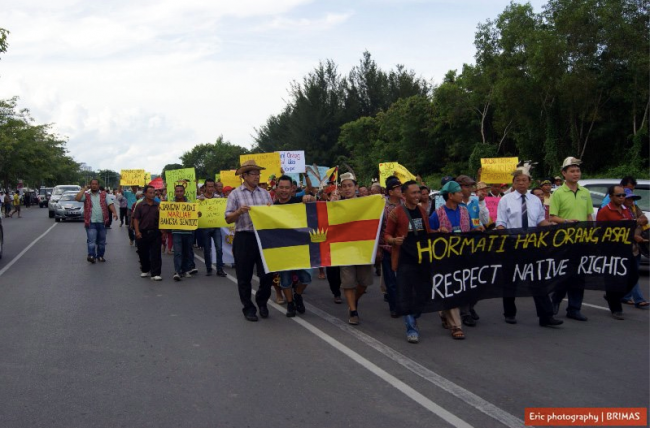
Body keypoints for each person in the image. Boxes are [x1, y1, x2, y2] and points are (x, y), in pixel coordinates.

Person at [496, 170, 562, 327]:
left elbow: (539, 220)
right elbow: (501, 222)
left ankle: (546, 316)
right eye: (518, 180)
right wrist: (501, 235)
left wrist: (553, 226)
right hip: (513, 244)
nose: (521, 183)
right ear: (513, 182)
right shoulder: (506, 200)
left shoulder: (535, 200)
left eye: (524, 180)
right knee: (511, 279)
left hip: (532, 244)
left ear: (529, 182)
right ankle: (509, 312)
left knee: (538, 279)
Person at [225, 160, 274, 322]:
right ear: (244, 176)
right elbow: (228, 219)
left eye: (258, 173)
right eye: (253, 173)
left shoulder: (265, 194)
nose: (257, 176)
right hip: (244, 238)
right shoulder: (235, 194)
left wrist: (269, 211)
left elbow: (273, 215)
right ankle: (248, 307)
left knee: (267, 274)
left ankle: (262, 301)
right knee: (244, 276)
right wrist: (239, 211)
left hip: (262, 237)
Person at [385, 180, 433, 343]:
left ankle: (415, 313)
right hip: (404, 259)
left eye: (418, 192)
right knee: (406, 294)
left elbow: (427, 233)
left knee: (423, 293)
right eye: (413, 193)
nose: (417, 195)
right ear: (404, 195)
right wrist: (393, 241)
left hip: (422, 258)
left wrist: (440, 232)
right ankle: (411, 328)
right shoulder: (396, 213)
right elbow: (387, 235)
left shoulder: (422, 211)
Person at [549, 157, 593, 321]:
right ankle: (556, 299)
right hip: (564, 241)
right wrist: (566, 221)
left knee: (579, 275)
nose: (576, 174)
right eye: (572, 171)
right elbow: (553, 217)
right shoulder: (558, 193)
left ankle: (574, 308)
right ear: (564, 173)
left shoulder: (585, 192)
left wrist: (591, 234)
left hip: (582, 240)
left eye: (578, 171)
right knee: (564, 274)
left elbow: (589, 215)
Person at [428, 181, 473, 339]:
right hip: (444, 258)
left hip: (462, 256)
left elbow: (471, 230)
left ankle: (443, 311)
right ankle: (456, 326)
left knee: (460, 287)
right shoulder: (437, 213)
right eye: (459, 192)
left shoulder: (464, 211)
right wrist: (438, 231)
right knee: (451, 288)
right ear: (450, 195)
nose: (462, 194)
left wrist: (479, 229)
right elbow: (429, 233)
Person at [330, 172, 374, 325]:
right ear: (340, 189)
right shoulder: (336, 204)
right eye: (344, 186)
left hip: (362, 249)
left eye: (350, 185)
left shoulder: (366, 204)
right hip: (344, 249)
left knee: (364, 282)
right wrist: (331, 205)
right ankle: (353, 310)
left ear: (356, 187)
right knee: (348, 282)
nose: (347, 189)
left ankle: (353, 301)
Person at [273, 175, 316, 317]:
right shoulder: (272, 208)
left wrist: (310, 198)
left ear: (292, 188)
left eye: (287, 187)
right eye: (281, 187)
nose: (284, 190)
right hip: (283, 249)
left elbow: (315, 201)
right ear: (276, 188)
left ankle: (298, 295)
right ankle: (290, 303)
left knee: (307, 277)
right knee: (285, 279)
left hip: (301, 248)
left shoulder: (299, 201)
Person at [596, 185, 636, 319]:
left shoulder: (627, 210)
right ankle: (615, 308)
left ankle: (613, 296)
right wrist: (618, 225)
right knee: (613, 278)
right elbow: (601, 231)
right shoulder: (605, 211)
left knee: (633, 276)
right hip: (611, 249)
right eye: (618, 195)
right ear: (611, 197)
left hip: (625, 248)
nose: (622, 198)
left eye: (623, 195)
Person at [75, 179, 118, 263]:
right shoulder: (86, 195)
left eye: (96, 184)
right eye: (92, 184)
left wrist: (115, 212)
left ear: (98, 185)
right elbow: (77, 198)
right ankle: (91, 255)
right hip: (91, 222)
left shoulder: (104, 194)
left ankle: (100, 256)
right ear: (90, 185)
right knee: (92, 241)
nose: (94, 185)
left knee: (101, 241)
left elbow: (110, 204)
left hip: (102, 222)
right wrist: (84, 189)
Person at [621, 189, 649, 308]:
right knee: (633, 273)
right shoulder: (620, 210)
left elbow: (644, 219)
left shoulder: (634, 208)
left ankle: (625, 296)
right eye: (628, 198)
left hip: (636, 246)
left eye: (632, 199)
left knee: (632, 272)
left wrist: (635, 222)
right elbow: (622, 226)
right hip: (625, 245)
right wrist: (636, 224)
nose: (631, 201)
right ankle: (639, 299)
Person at [379, 177, 402, 318]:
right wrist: (378, 248)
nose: (401, 190)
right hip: (387, 247)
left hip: (405, 248)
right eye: (398, 188)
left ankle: (404, 302)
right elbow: (379, 228)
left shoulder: (406, 204)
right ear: (391, 192)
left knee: (404, 278)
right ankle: (394, 306)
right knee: (390, 280)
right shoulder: (382, 207)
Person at [133, 185, 163, 281]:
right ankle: (145, 269)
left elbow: (162, 219)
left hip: (155, 232)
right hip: (143, 233)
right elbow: (136, 219)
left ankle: (156, 273)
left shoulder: (158, 205)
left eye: (153, 192)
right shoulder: (140, 205)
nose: (152, 194)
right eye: (150, 192)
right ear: (145, 193)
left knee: (156, 253)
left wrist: (163, 231)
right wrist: (137, 231)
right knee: (143, 253)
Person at [198, 178, 226, 277]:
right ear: (205, 187)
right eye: (209, 186)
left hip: (216, 227)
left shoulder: (218, 198)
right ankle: (209, 269)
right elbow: (198, 214)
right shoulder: (200, 199)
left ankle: (219, 269)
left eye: (212, 186)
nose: (211, 188)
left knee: (219, 248)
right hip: (205, 227)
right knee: (206, 249)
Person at [171, 184, 197, 281]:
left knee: (187, 251)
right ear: (174, 192)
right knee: (178, 252)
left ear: (184, 192)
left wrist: (196, 214)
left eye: (181, 191)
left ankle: (185, 270)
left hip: (188, 232)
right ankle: (177, 271)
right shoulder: (171, 204)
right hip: (176, 232)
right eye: (177, 191)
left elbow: (194, 215)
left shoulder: (190, 204)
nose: (179, 193)